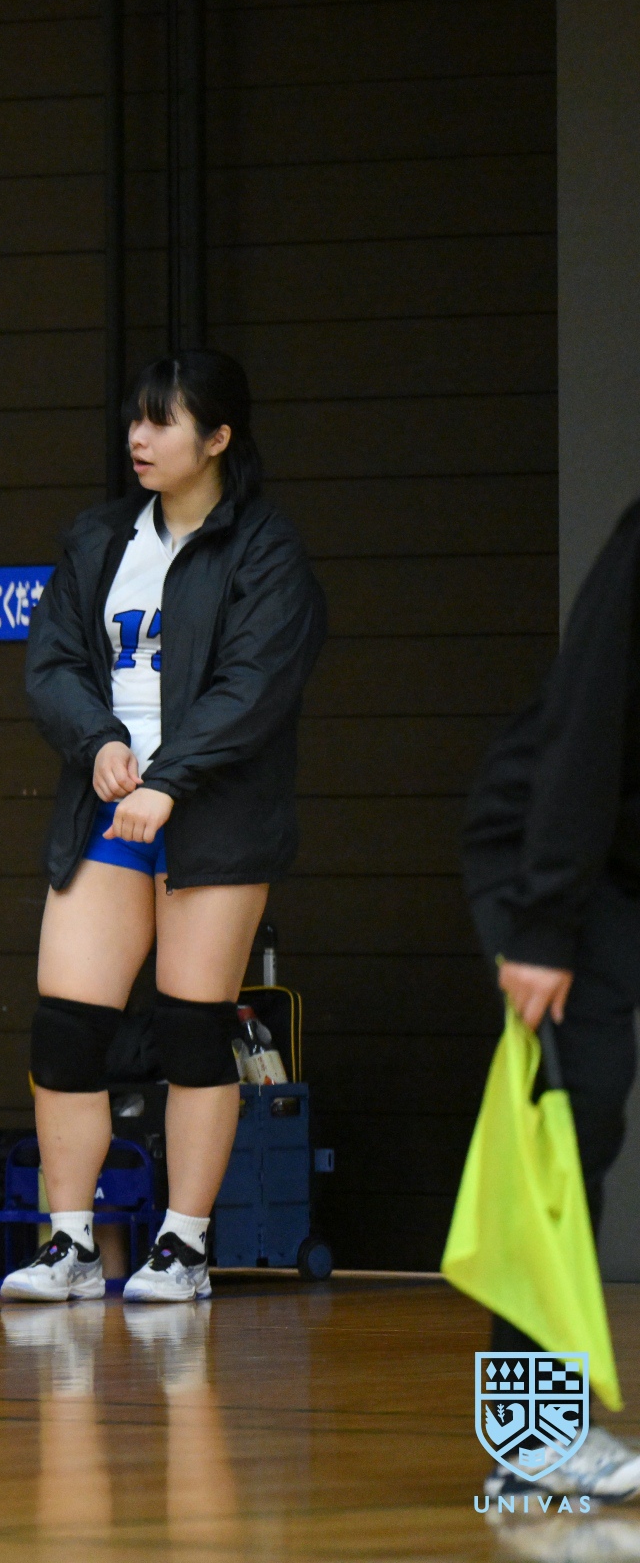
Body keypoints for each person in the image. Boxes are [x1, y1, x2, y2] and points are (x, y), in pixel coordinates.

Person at [6, 350, 324, 1304]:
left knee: (192, 1031)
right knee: (66, 1032)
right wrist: (99, 739)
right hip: (106, 806)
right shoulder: (100, 537)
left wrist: (171, 780)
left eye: (163, 422)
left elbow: (256, 685)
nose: (138, 438)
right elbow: (53, 662)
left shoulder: (265, 547)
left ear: (218, 438)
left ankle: (183, 1248)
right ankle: (69, 1242)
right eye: (135, 419)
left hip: (214, 816)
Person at [463, 493, 640, 1503]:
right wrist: (542, 926)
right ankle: (533, 1443)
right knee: (571, 1124)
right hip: (554, 853)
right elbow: (586, 724)